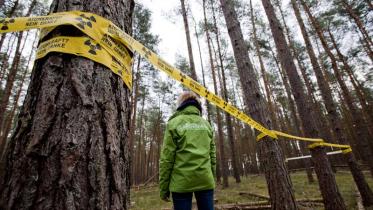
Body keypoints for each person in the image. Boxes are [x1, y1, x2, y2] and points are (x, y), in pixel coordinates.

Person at [159, 91, 216, 210]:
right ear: (197, 105)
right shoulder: (206, 124)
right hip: (205, 180)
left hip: (181, 183)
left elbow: (167, 159)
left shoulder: (173, 123)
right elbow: (213, 156)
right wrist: (212, 178)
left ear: (181, 104)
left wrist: (164, 188)